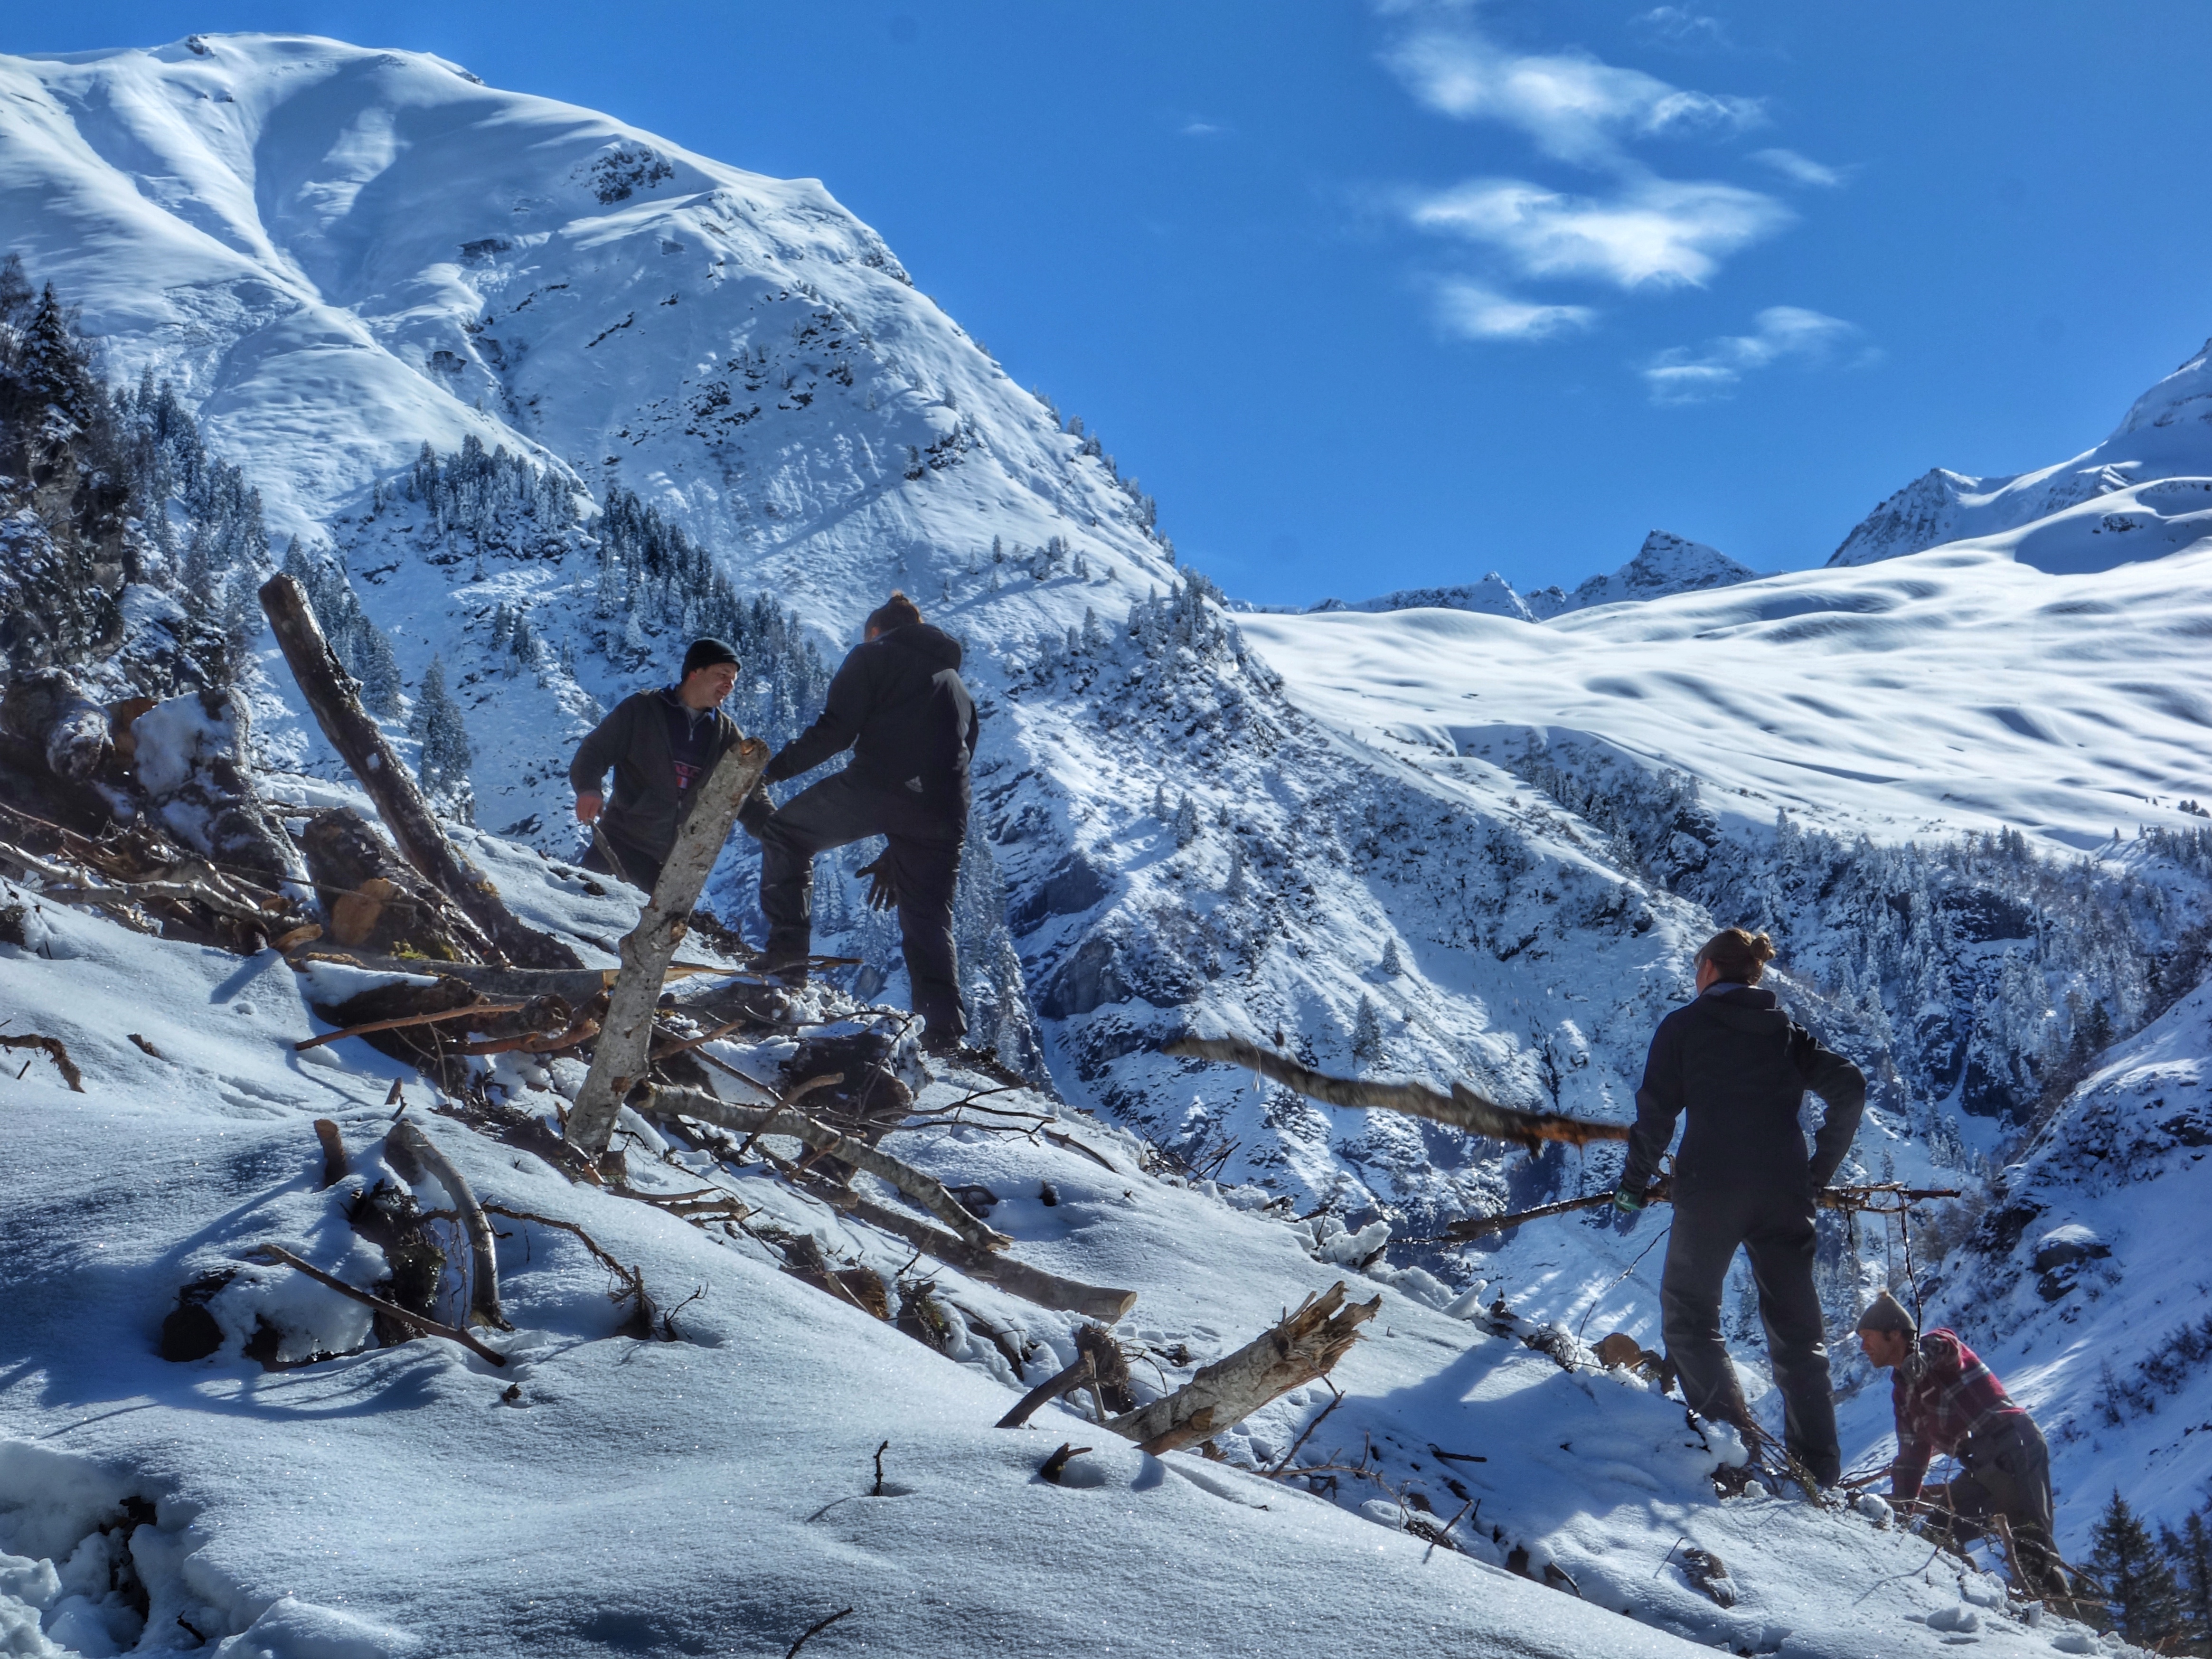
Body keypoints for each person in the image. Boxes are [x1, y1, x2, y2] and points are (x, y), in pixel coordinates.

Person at [1612, 927, 1866, 1486]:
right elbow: (1850, 1086)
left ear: (1708, 969)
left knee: (1690, 1318)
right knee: (1800, 1338)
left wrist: (1633, 1186)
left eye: (1696, 963)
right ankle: (1817, 1471)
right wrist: (1816, 1174)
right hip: (1784, 1194)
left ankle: (1735, 1451)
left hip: (1710, 1189)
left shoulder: (1683, 1027)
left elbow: (1656, 1120)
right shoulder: (1787, 1034)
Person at [746, 591, 979, 1053]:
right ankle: (944, 1034)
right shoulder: (959, 687)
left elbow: (835, 730)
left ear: (876, 629)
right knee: (929, 919)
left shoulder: (874, 654)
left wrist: (768, 770)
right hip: (946, 813)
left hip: (880, 785)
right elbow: (960, 756)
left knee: (786, 833)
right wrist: (902, 848)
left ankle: (785, 966)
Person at [1856, 1289, 2065, 1592]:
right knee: (1939, 1536)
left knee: (2032, 1546)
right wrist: (1899, 1516)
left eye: (1868, 1336)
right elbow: (1911, 1460)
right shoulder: (1903, 1394)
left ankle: (2062, 1621)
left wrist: (1920, 1358)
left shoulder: (1936, 1349)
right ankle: (1971, 1600)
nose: (1863, 1347)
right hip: (1980, 1465)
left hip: (2013, 1444)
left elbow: (1946, 1345)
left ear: (1894, 1335)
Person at [568, 638, 745, 893]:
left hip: (674, 868)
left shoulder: (727, 735)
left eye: (734, 680)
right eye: (723, 675)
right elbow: (595, 751)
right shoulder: (643, 710)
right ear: (695, 672)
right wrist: (588, 788)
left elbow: (748, 791)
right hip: (619, 842)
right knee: (578, 915)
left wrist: (777, 830)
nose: (730, 685)